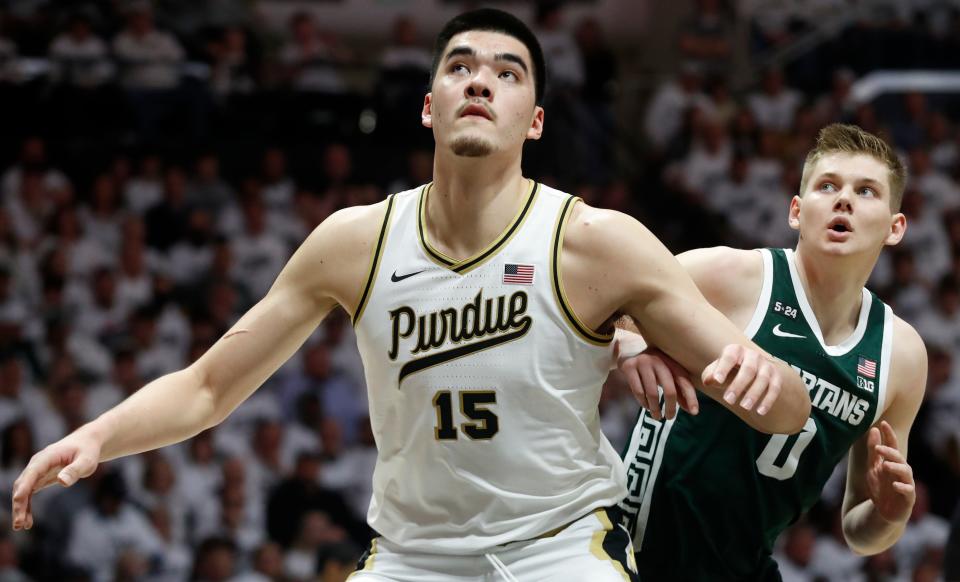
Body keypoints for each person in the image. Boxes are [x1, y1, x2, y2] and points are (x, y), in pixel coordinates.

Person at [11, 9, 810, 581]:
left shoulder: (599, 242)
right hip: (411, 556)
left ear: (534, 121)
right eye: (459, 66)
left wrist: (765, 390)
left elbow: (783, 409)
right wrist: (98, 438)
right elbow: (209, 387)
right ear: (428, 105)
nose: (480, 83)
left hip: (560, 549)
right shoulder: (353, 241)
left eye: (507, 73)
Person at [616, 124, 926, 580]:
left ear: (895, 227)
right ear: (797, 211)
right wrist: (631, 348)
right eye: (828, 186)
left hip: (745, 567)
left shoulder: (901, 355)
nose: (844, 200)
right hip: (631, 549)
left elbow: (860, 531)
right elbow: (604, 301)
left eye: (866, 191)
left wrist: (889, 515)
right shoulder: (731, 274)